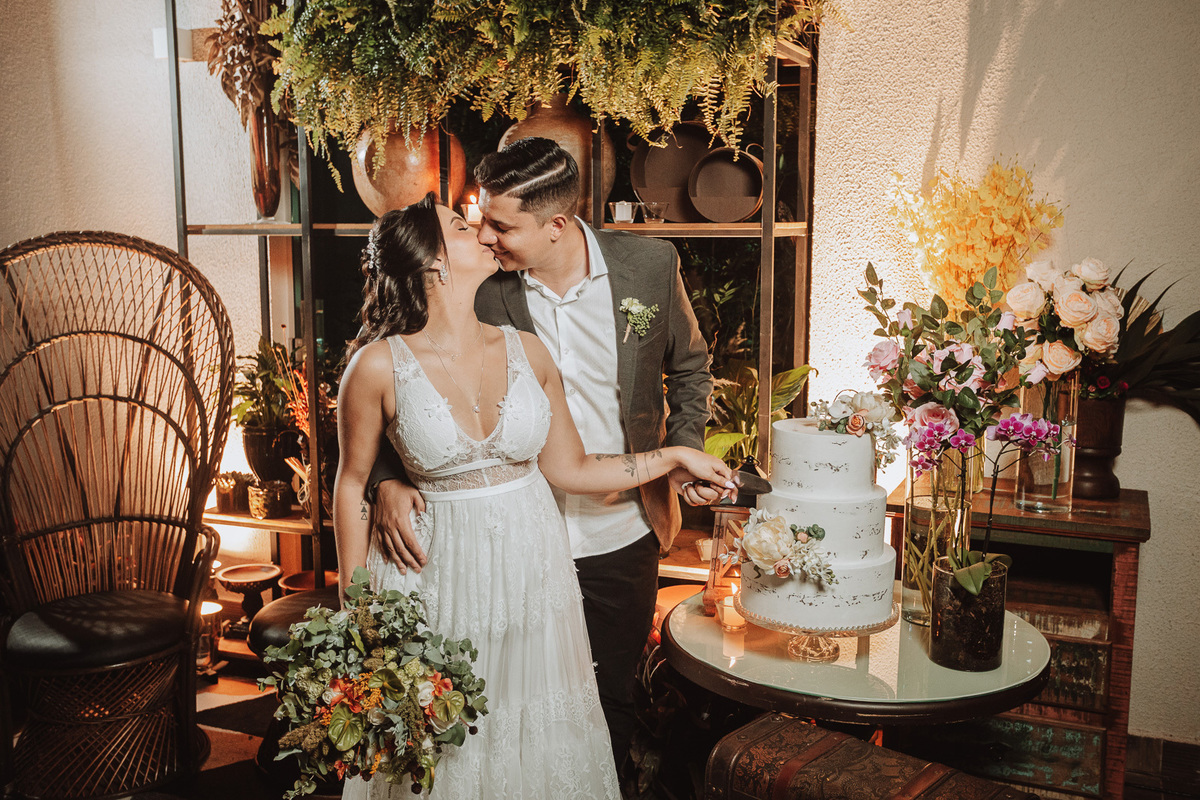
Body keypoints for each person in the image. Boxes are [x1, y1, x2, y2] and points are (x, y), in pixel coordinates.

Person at [334, 193, 734, 798]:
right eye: (462, 227)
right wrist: (356, 605)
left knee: (533, 734)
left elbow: (573, 468)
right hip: (435, 575)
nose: (484, 234)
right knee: (445, 744)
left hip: (532, 575)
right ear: (432, 262)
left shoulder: (527, 349)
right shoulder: (375, 366)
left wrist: (673, 456)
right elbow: (350, 482)